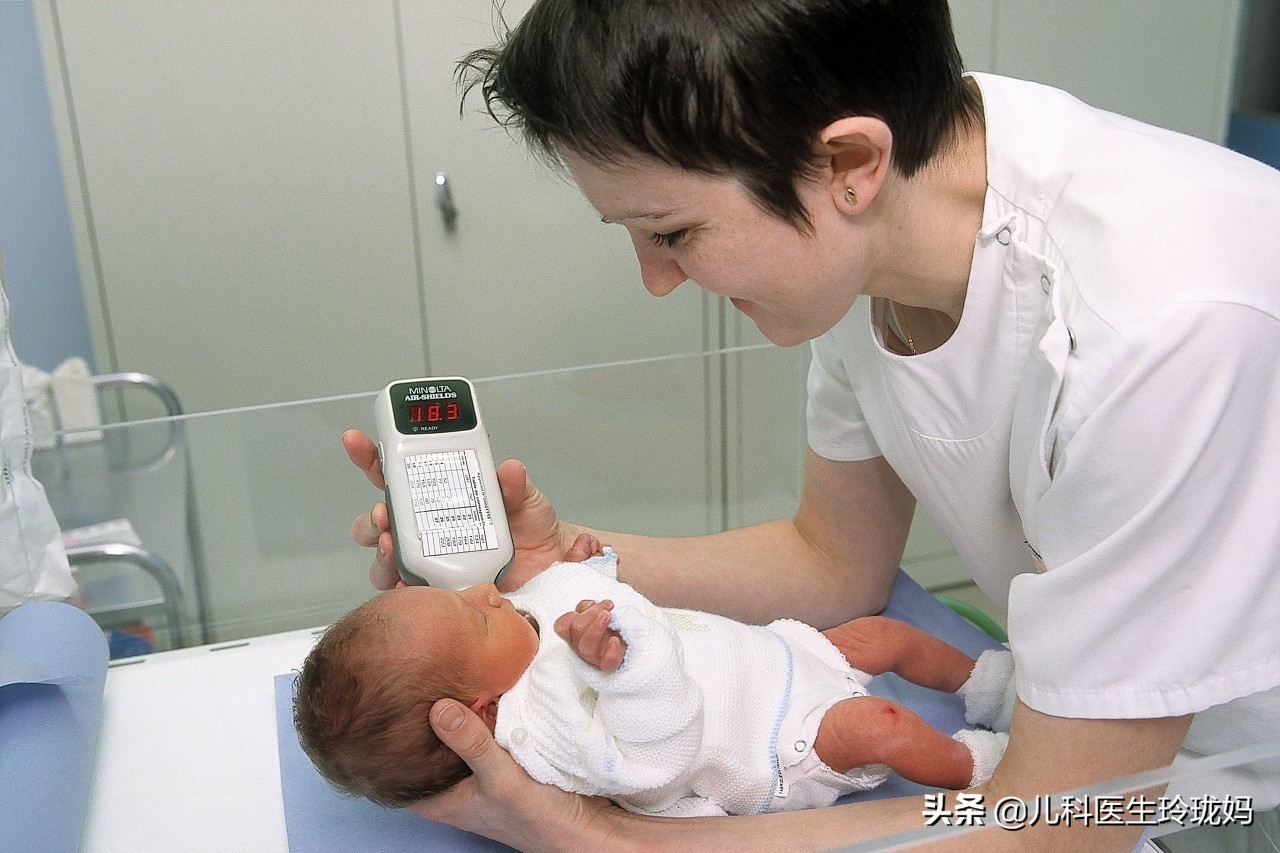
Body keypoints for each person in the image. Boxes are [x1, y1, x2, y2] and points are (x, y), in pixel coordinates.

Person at [343, 0, 1280, 848]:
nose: (655, 279)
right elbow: (833, 561)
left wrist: (624, 842)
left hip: (1236, 787)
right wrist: (542, 565)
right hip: (1094, 742)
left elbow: (1058, 824)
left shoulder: (1163, 333)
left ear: (849, 166)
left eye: (670, 231)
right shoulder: (890, 221)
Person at [294, 535, 1013, 815]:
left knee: (881, 637)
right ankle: (980, 766)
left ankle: (988, 685)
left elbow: (569, 597)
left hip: (780, 657)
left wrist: (585, 565)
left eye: (465, 595)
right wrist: (621, 667)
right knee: (876, 724)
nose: (486, 595)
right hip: (778, 742)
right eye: (478, 619)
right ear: (482, 714)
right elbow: (658, 749)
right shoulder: (546, 732)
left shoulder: (518, 628)